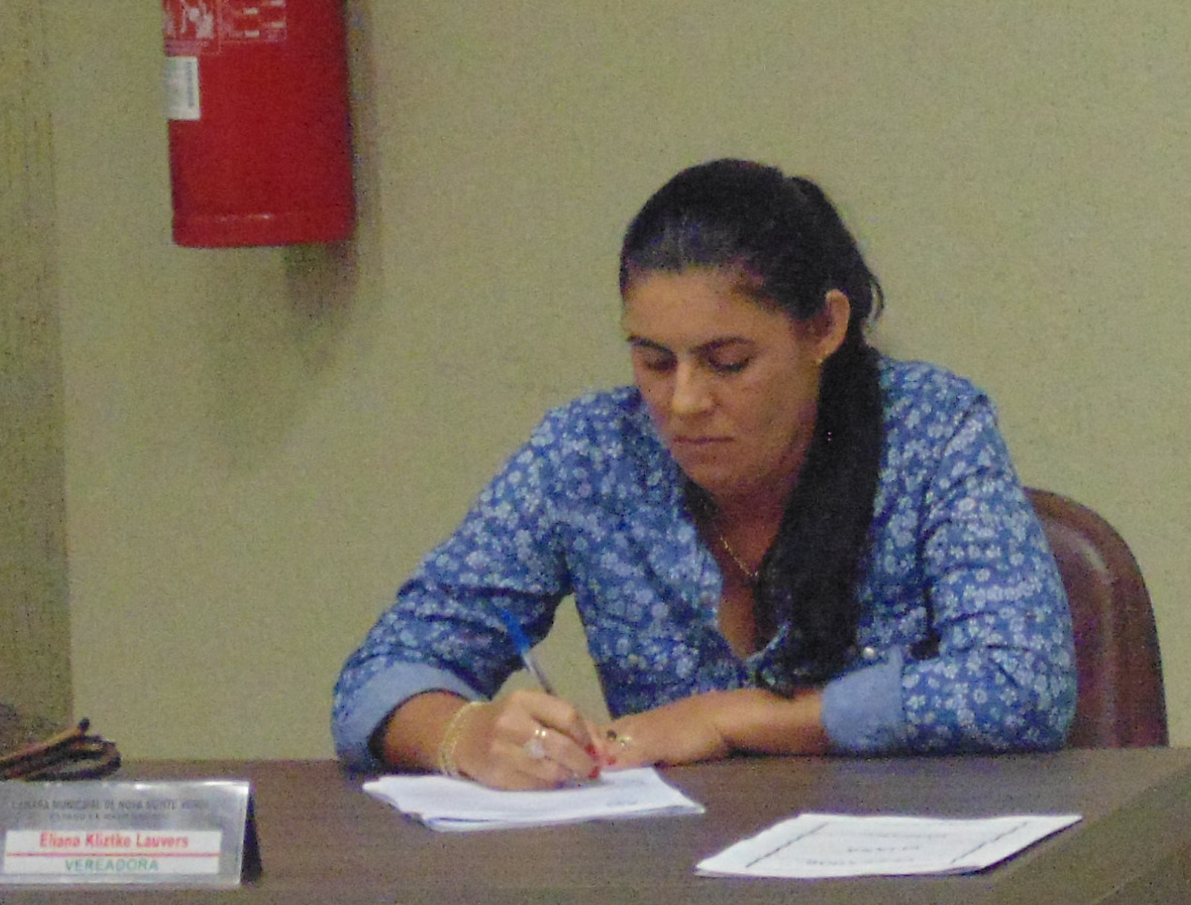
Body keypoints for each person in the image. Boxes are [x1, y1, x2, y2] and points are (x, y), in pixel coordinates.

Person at [335, 159, 1077, 784]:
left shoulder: (930, 429)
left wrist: (727, 719)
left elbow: (1022, 685)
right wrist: (465, 736)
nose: (684, 402)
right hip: (671, 880)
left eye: (728, 362)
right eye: (654, 362)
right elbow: (379, 675)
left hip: (903, 873)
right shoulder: (590, 454)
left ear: (824, 328)